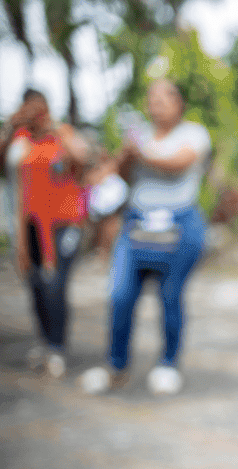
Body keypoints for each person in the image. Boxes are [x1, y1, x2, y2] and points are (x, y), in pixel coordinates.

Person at [80, 79, 212, 396]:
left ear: (179, 103)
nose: (157, 103)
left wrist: (139, 152)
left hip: (179, 225)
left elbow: (179, 163)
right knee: (120, 295)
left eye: (164, 97)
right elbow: (115, 175)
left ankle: (168, 364)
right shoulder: (136, 137)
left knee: (170, 297)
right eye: (151, 98)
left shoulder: (194, 134)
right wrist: (125, 156)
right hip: (136, 224)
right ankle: (116, 365)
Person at [0, 88, 94, 378]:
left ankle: (57, 347)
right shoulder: (20, 142)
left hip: (65, 224)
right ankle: (45, 340)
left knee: (56, 285)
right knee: (36, 285)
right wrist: (11, 126)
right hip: (30, 224)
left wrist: (53, 126)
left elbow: (85, 156)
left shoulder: (61, 134)